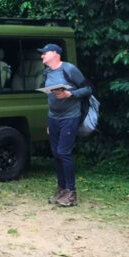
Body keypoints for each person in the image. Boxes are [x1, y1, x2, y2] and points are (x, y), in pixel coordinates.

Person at [38, 43, 91, 207]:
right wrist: (49, 122)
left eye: (44, 53)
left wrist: (70, 93)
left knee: (63, 152)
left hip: (70, 117)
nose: (42, 56)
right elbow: (50, 99)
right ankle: (61, 189)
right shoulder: (47, 72)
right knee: (55, 153)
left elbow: (88, 89)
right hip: (53, 118)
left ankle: (71, 192)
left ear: (55, 53)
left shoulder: (69, 69)